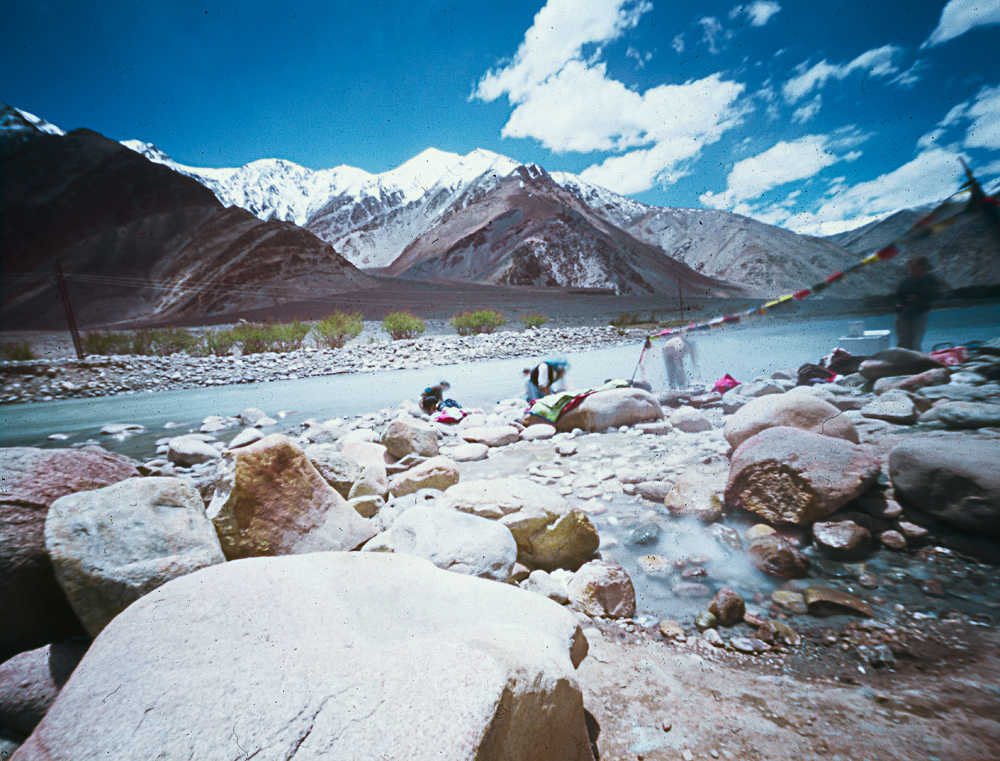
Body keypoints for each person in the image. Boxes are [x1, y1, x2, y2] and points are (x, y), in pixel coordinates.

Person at [894, 256, 942, 351]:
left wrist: (919, 298)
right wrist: (898, 304)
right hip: (904, 313)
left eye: (914, 267)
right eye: (911, 267)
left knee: (916, 339)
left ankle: (916, 361)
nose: (911, 269)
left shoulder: (930, 280)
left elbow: (934, 295)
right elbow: (898, 295)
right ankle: (902, 361)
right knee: (903, 339)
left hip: (920, 312)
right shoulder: (906, 281)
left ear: (921, 267)